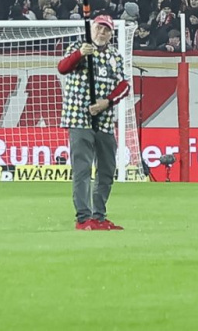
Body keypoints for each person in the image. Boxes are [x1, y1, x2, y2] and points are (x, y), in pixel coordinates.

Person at [56, 13, 130, 231]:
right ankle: (83, 217)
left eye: (106, 30)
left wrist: (106, 102)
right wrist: (80, 54)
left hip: (104, 120)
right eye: (99, 28)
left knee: (107, 169)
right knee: (82, 168)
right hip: (79, 117)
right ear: (92, 29)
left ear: (111, 34)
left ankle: (99, 215)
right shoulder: (78, 48)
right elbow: (63, 68)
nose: (102, 32)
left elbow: (124, 86)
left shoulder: (115, 56)